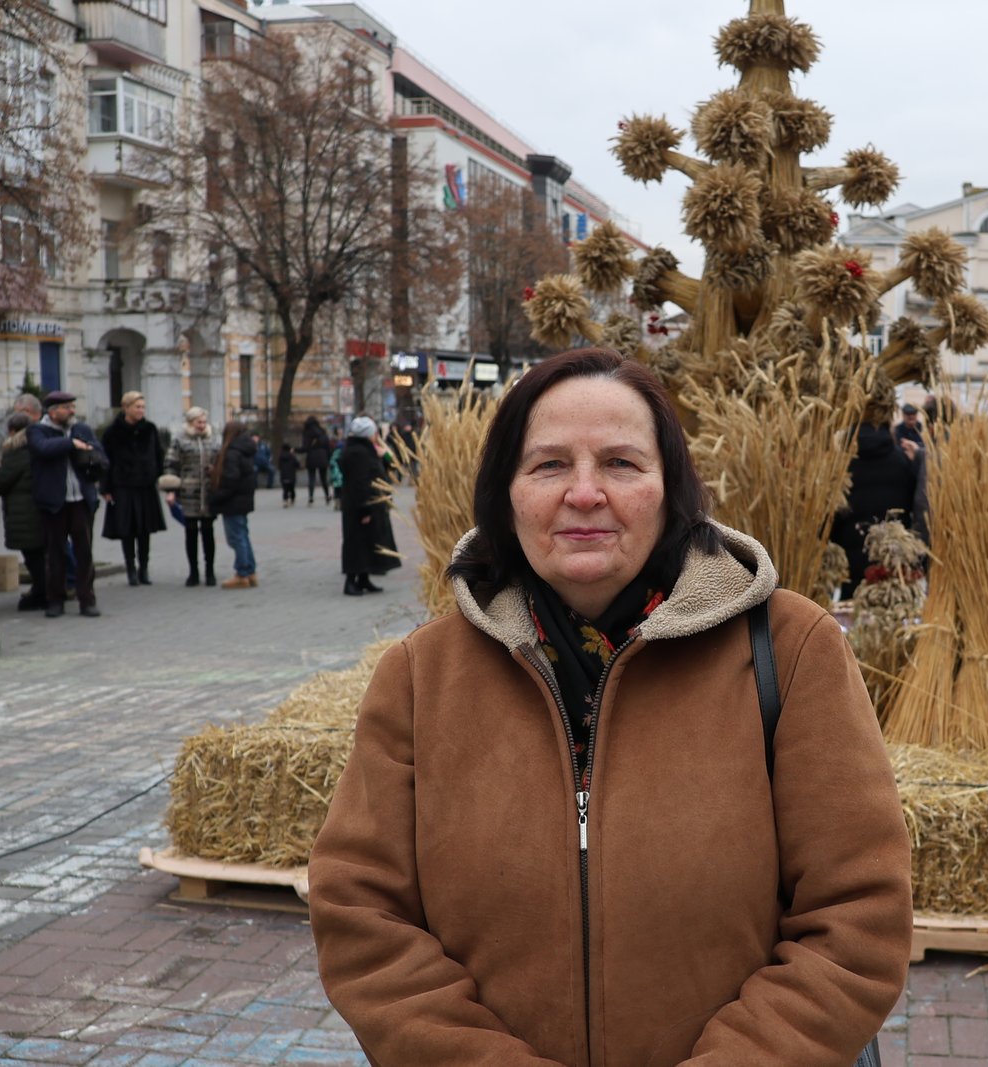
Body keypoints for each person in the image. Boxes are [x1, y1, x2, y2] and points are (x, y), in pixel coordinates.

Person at [308, 348, 913, 1066]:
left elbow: (856, 916)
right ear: (507, 492)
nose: (585, 492)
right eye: (549, 465)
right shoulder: (421, 676)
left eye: (621, 463)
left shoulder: (790, 649)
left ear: (671, 488)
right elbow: (362, 914)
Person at [28, 391, 106, 618]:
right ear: (53, 411)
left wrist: (92, 455)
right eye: (67, 407)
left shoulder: (81, 429)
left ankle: (87, 599)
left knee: (84, 552)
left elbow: (101, 455)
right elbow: (43, 448)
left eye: (73, 406)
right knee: (55, 553)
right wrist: (71, 444)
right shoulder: (37, 430)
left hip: (81, 499)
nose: (72, 411)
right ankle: (56, 600)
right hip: (54, 501)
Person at [831, 422, 916, 598]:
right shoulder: (901, 460)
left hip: (851, 553)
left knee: (852, 606)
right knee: (891, 605)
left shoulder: (841, 464)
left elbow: (834, 514)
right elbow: (911, 507)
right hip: (892, 554)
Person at [99, 391, 166, 587]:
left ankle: (144, 568)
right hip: (123, 486)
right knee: (126, 529)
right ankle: (130, 568)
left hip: (146, 486)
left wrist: (158, 475)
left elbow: (158, 455)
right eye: (137, 407)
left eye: (143, 407)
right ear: (126, 408)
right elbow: (105, 461)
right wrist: (106, 487)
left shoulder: (150, 429)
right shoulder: (112, 432)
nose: (141, 410)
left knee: (145, 529)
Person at [0, 412, 47, 611]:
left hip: (24, 513)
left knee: (33, 556)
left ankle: (42, 593)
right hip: (41, 509)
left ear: (12, 431)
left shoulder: (17, 450)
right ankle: (45, 591)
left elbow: (1, 480)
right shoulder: (38, 446)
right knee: (40, 554)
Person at [339, 416, 400, 596]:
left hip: (370, 504)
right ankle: (350, 582)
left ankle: (364, 579)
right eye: (374, 432)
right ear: (367, 434)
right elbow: (360, 483)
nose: (376, 435)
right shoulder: (358, 453)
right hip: (361, 506)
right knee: (357, 544)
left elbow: (390, 465)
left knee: (367, 543)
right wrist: (364, 510)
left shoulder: (364, 450)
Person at [161, 407, 220, 587]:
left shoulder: (213, 439)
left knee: (208, 532)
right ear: (190, 422)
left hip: (208, 493)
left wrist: (215, 472)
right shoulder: (180, 440)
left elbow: (220, 461)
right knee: (191, 532)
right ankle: (193, 572)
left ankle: (210, 571)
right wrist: (171, 490)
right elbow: (171, 465)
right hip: (188, 493)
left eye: (204, 422)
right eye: (198, 422)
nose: (202, 425)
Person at [210, 421, 258, 589]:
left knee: (236, 538)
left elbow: (231, 479)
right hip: (243, 499)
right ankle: (250, 571)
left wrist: (216, 497)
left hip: (233, 501)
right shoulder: (245, 450)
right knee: (243, 535)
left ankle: (242, 573)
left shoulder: (232, 453)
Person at [302, 415, 332, 505]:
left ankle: (311, 497)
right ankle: (327, 495)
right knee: (324, 478)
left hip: (311, 457)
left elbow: (305, 448)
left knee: (311, 478)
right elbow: (328, 447)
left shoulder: (307, 433)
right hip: (323, 456)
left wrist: (295, 450)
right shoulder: (322, 432)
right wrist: (328, 458)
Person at [278, 443, 300, 507]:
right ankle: (292, 499)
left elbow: (279, 466)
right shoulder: (292, 456)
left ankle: (285, 500)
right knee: (292, 489)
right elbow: (297, 464)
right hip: (291, 475)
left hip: (284, 475)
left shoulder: (280, 457)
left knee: (285, 489)